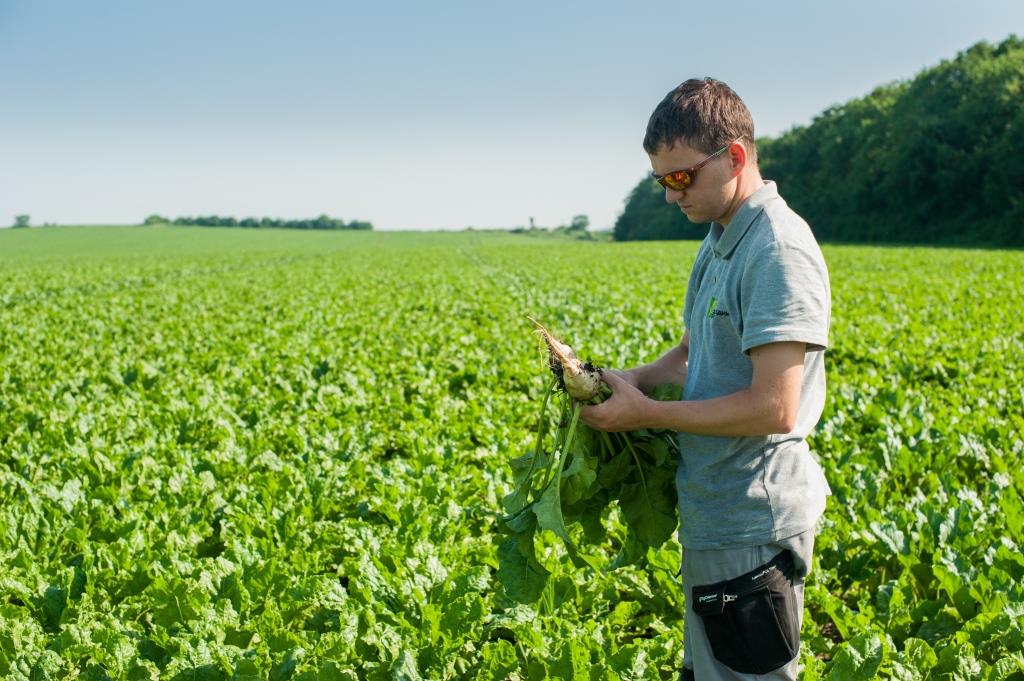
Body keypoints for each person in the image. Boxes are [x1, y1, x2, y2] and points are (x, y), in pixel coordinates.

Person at [580, 77, 832, 681]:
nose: (672, 195)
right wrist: (624, 381)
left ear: (735, 157)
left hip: (753, 519)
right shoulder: (719, 239)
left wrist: (647, 414)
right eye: (660, 181)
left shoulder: (777, 250)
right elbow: (691, 355)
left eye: (681, 177)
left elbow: (774, 407)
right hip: (715, 513)